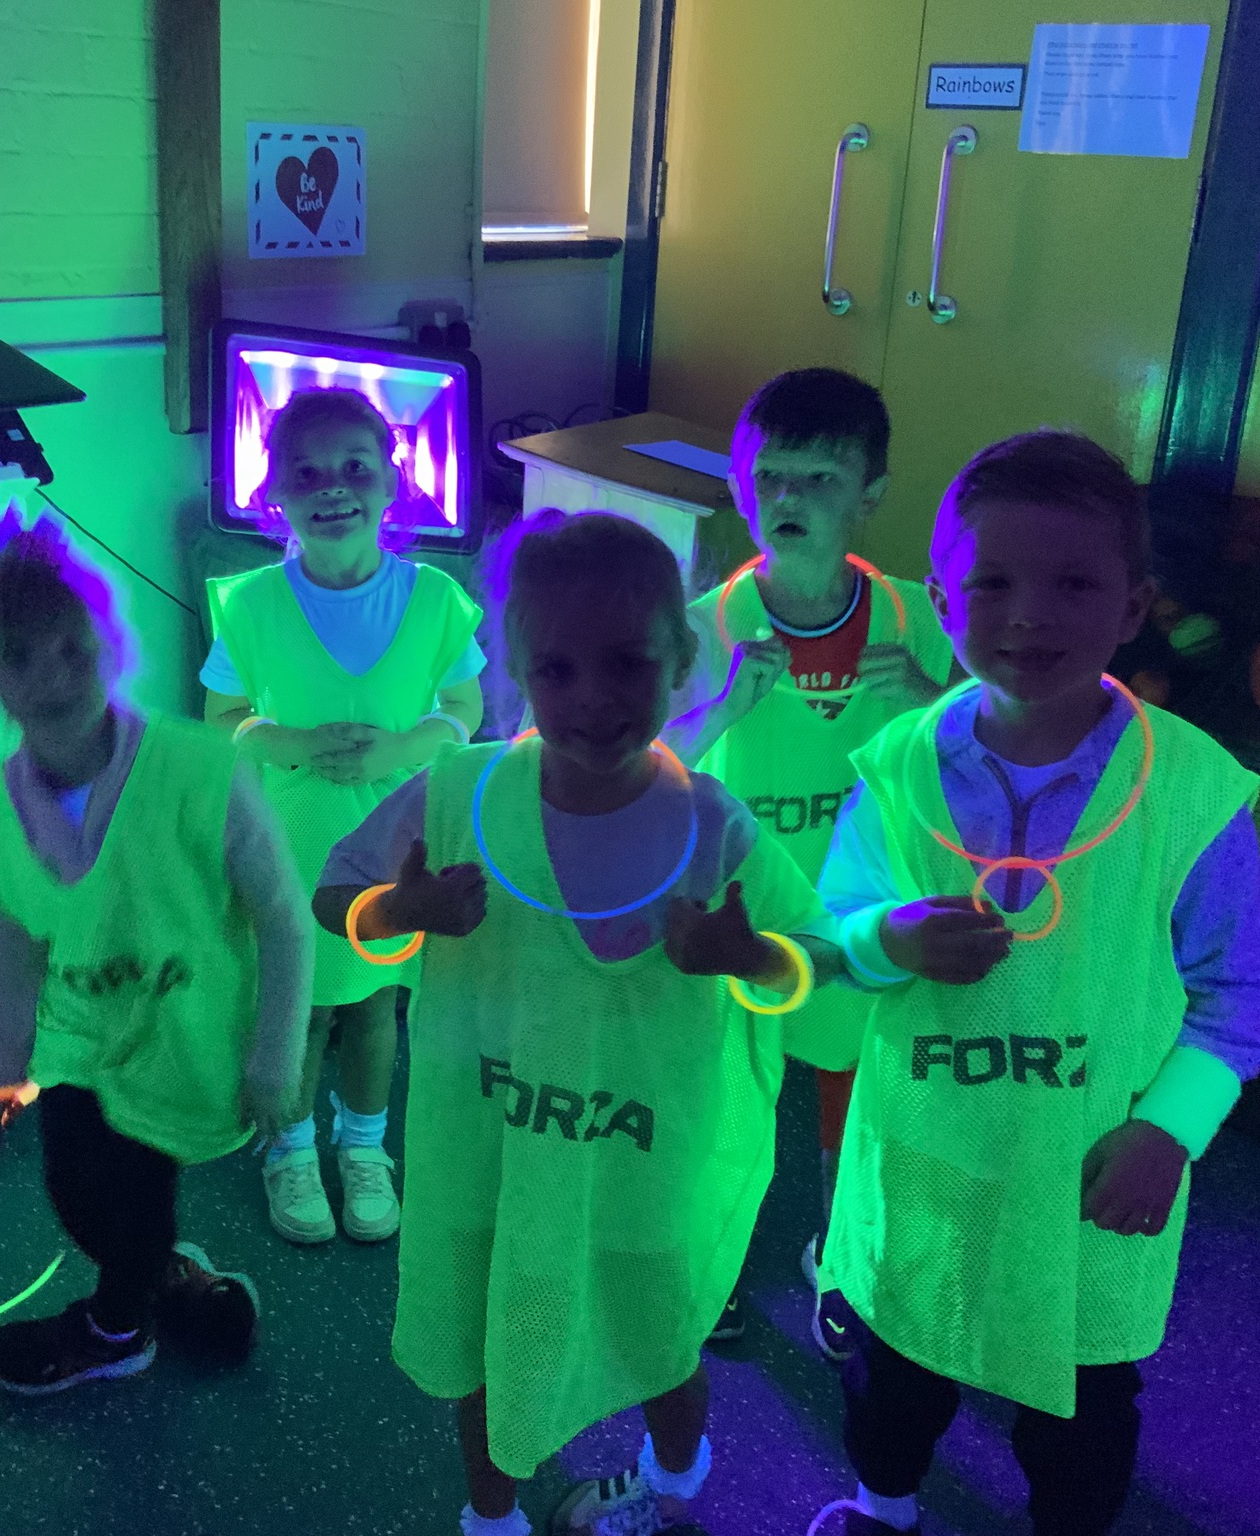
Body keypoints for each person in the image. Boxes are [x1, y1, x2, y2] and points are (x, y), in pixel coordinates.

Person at [315, 511, 842, 1536]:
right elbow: (336, 890)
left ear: (680, 662)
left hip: (645, 1167)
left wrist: (745, 957)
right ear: (514, 671)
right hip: (487, 1160)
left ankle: (673, 1481)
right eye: (556, 670)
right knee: (484, 1343)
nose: (592, 697)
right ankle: (491, 1516)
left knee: (661, 1340)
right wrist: (398, 910)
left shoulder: (712, 825)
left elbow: (817, 953)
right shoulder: (459, 793)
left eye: (626, 663)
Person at [805, 432, 1260, 1536]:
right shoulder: (896, 771)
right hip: (925, 1158)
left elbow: (1241, 994)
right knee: (893, 1373)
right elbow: (834, 935)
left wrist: (1169, 1130)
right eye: (992, 585)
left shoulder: (1187, 791)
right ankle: (883, 1506)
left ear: (1134, 606)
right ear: (940, 602)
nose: (1030, 615)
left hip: (1090, 1172)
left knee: (1079, 1411)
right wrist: (889, 938)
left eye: (1074, 584)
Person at [0, 511, 309, 1393]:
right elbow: (8, 958)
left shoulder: (201, 770)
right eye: (19, 658)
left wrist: (276, 1057)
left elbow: (284, 919)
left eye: (72, 650)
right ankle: (163, 1277)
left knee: (139, 1190)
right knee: (77, 1192)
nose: (51, 676)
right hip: (80, 1042)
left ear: (110, 646)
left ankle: (117, 1328)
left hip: (187, 1031)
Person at [665, 369, 954, 1345]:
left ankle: (838, 1255)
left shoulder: (915, 619)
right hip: (735, 905)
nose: (787, 498)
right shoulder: (702, 625)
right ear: (738, 486)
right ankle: (706, 1260)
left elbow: (970, 767)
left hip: (854, 906)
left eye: (819, 480)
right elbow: (640, 768)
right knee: (720, 1092)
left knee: (851, 1088)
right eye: (769, 478)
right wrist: (717, 711)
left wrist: (927, 703)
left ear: (870, 494)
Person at [205, 388, 486, 1247]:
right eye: (307, 473)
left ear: (392, 484)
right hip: (293, 842)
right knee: (301, 1006)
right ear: (274, 494)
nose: (333, 487)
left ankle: (364, 1144)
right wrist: (290, 742)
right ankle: (289, 1149)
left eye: (356, 468)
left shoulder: (434, 599)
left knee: (374, 1004)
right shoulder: (253, 605)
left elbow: (465, 708)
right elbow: (224, 720)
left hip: (395, 845)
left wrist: (398, 750)